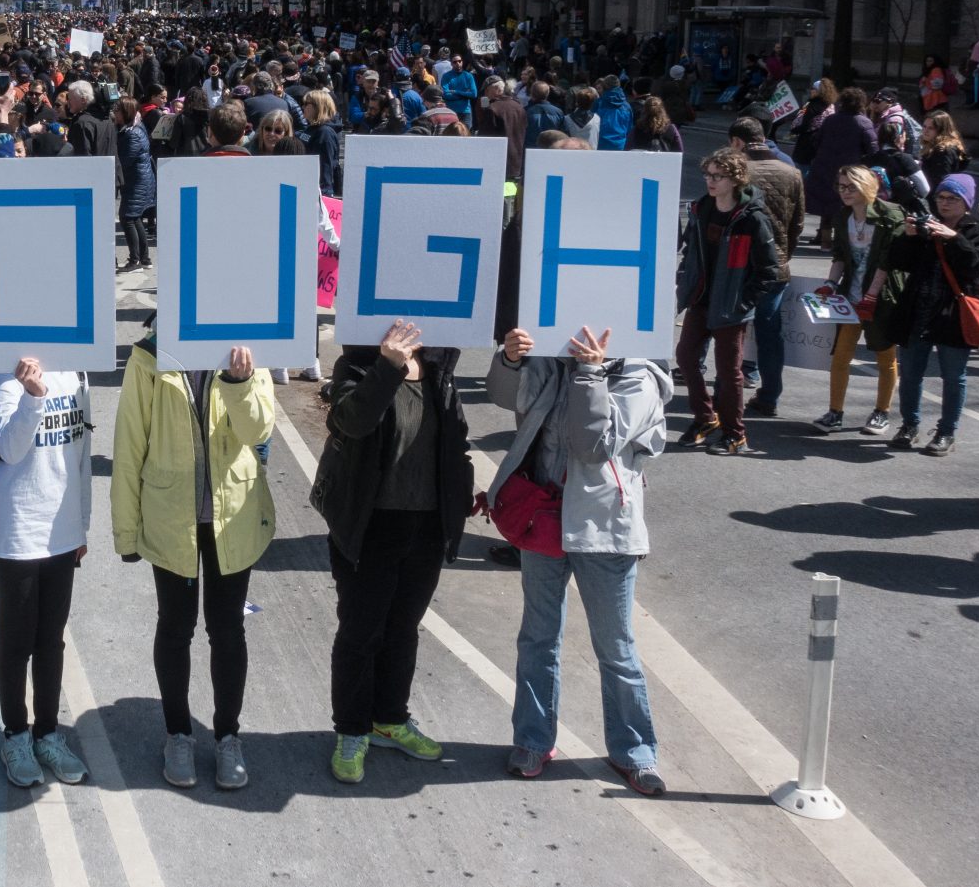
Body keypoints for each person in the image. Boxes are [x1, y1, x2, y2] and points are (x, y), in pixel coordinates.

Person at [486, 322, 671, 795]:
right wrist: (510, 359)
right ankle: (531, 741)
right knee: (537, 639)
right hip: (544, 519)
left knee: (617, 648)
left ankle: (635, 751)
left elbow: (594, 445)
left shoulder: (639, 375)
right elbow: (505, 397)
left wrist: (589, 375)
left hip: (606, 530)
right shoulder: (551, 358)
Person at [310, 321, 471, 785]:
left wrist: (460, 496)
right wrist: (387, 366)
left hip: (425, 524)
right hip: (370, 523)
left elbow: (454, 439)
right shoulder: (356, 366)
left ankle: (390, 717)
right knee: (361, 631)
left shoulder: (440, 368)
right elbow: (353, 421)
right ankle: (353, 730)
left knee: (403, 628)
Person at [112, 334, 275, 792]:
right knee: (175, 626)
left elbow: (260, 431)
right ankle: (178, 733)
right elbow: (128, 448)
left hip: (232, 519)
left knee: (227, 630)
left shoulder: (248, 345)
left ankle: (227, 736)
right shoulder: (148, 356)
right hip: (171, 519)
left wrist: (240, 383)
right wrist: (126, 529)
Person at [0, 357, 93, 789]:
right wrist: (33, 397)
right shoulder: (6, 373)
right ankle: (15, 734)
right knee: (17, 640)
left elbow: (82, 452)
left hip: (62, 529)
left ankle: (48, 733)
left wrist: (82, 522)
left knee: (51, 639)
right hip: (18, 526)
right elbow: (10, 450)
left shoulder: (78, 372)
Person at [881, 173, 979, 455]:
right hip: (918, 309)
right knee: (910, 373)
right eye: (941, 198)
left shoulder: (978, 230)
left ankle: (946, 432)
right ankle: (909, 425)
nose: (944, 204)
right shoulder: (927, 224)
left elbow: (976, 265)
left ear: (966, 202)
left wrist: (954, 238)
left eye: (952, 199)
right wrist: (908, 237)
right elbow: (897, 262)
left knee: (954, 376)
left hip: (954, 314)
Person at [674, 149, 780, 454]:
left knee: (729, 372)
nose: (709, 180)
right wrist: (685, 279)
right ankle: (705, 419)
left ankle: (736, 435)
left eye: (717, 176)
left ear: (735, 179)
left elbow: (768, 270)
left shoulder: (751, 218)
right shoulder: (701, 208)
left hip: (731, 307)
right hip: (701, 299)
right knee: (685, 358)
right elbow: (691, 252)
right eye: (707, 174)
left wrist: (743, 303)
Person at [812, 166, 904, 435]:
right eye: (841, 187)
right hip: (850, 297)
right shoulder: (843, 217)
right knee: (841, 356)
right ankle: (835, 412)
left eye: (850, 186)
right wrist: (830, 285)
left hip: (882, 298)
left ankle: (881, 412)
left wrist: (872, 295)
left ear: (867, 185)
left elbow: (889, 260)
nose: (844, 192)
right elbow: (840, 254)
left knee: (885, 356)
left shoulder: (890, 215)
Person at [730, 118, 804, 416]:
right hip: (776, 264)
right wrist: (784, 254)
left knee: (731, 329)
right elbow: (797, 223)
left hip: (738, 263)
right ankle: (770, 395)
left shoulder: (737, 172)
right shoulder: (792, 173)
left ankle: (727, 393)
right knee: (770, 333)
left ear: (738, 142)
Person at [803, 86, 877, 248]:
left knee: (826, 205)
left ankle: (824, 240)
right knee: (846, 205)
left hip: (825, 166)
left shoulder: (831, 120)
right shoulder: (864, 122)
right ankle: (841, 242)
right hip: (850, 171)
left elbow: (816, 141)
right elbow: (872, 149)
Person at [113, 96, 156, 272]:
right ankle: (144, 258)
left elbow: (125, 160)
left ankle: (135, 260)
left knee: (127, 217)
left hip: (137, 180)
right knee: (134, 217)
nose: (114, 113)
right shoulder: (133, 129)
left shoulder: (133, 133)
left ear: (126, 112)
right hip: (139, 179)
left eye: (117, 110)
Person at [299, 89, 341, 194]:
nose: (303, 107)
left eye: (306, 104)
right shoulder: (311, 129)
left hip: (319, 192)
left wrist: (325, 193)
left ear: (318, 106)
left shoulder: (325, 133)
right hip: (307, 186)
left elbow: (326, 165)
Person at [918, 110, 970, 191]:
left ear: (941, 131)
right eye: (924, 126)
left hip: (938, 198)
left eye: (931, 128)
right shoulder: (933, 146)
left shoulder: (942, 151)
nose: (925, 131)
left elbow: (940, 180)